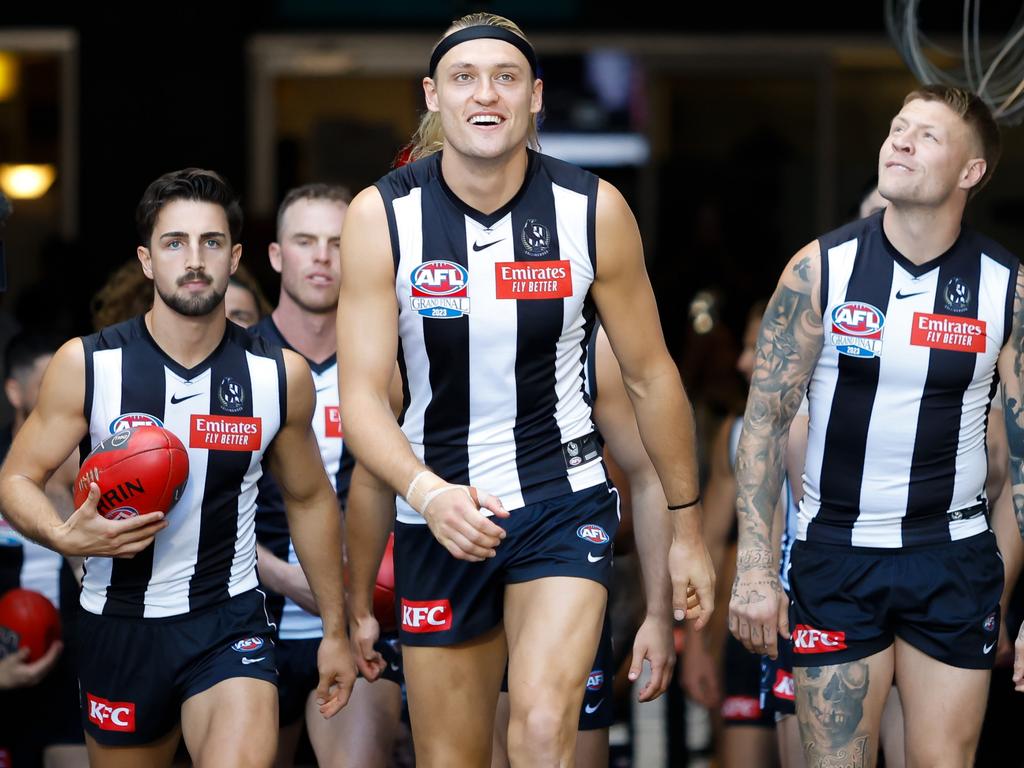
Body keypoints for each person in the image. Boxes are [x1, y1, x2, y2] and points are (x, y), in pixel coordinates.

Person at [336, 12, 713, 766]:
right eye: (464, 77)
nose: (487, 94)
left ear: (536, 96)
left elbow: (651, 376)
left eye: (506, 78)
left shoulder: (592, 209)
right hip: (439, 511)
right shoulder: (381, 216)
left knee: (544, 730)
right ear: (433, 96)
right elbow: (363, 401)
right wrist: (427, 493)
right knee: (453, 757)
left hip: (562, 499)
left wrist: (690, 532)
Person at [0, 168, 356, 768]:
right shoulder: (89, 366)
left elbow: (309, 499)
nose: (194, 259)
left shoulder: (277, 376)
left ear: (236, 256)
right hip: (119, 624)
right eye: (175, 243)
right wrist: (64, 534)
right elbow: (15, 478)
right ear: (146, 261)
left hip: (229, 620)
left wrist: (337, 633)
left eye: (211, 242)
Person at [730, 85, 1014, 767]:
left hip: (953, 557)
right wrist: (754, 571)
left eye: (928, 135)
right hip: (837, 555)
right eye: (897, 128)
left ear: (971, 172)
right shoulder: (818, 269)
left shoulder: (1009, 287)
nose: (902, 141)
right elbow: (763, 424)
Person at [251, 183, 405, 768]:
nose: (321, 257)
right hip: (245, 620)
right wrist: (287, 577)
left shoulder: (390, 365)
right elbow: (192, 510)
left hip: (362, 622)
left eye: (338, 243)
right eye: (304, 241)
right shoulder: (234, 360)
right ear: (274, 256)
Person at [0, 331, 87, 768]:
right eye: (47, 387)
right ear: (14, 392)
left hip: (72, 665)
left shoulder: (93, 468)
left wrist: (66, 493)